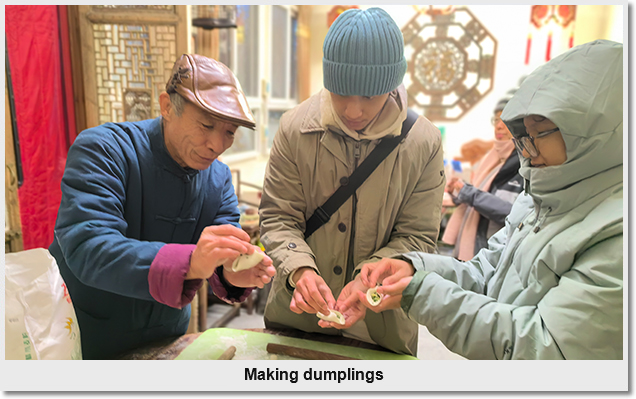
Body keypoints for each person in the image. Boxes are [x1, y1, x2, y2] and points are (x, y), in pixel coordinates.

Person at [342, 39, 623, 359]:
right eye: (523, 135)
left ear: (594, 132)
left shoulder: (617, 234)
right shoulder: (539, 199)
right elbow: (486, 273)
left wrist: (422, 292)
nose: (527, 153)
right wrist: (413, 267)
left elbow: (543, 349)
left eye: (541, 133)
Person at [49, 54, 276, 359]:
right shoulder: (104, 149)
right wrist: (193, 261)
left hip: (168, 336)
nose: (217, 144)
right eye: (206, 125)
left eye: (229, 132)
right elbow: (87, 247)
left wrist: (234, 271)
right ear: (167, 106)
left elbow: (223, 255)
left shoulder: (218, 178)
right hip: (88, 335)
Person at [258, 7, 445, 356]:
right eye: (341, 93)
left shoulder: (424, 142)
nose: (353, 111)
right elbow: (278, 218)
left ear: (391, 85)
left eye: (369, 97)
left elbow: (417, 237)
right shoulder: (295, 128)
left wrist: (368, 279)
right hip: (299, 317)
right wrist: (298, 270)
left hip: (383, 329)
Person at [442, 88, 524, 260]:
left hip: (492, 254)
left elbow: (512, 212)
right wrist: (458, 192)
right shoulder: (491, 160)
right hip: (473, 250)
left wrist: (469, 193)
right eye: (496, 120)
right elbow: (478, 197)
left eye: (505, 120)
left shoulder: (523, 165)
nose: (499, 126)